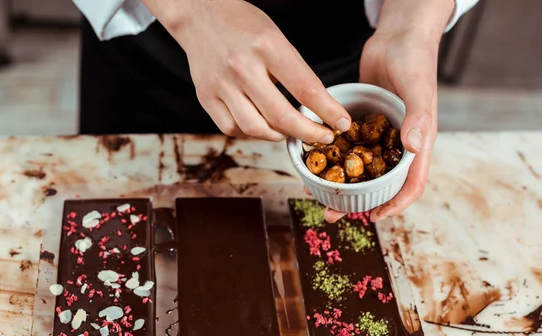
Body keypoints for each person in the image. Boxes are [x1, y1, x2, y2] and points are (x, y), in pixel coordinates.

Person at [73, 0, 478, 222]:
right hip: (157, 48)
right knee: (126, 200)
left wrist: (412, 22)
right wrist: (190, 10)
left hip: (348, 39)